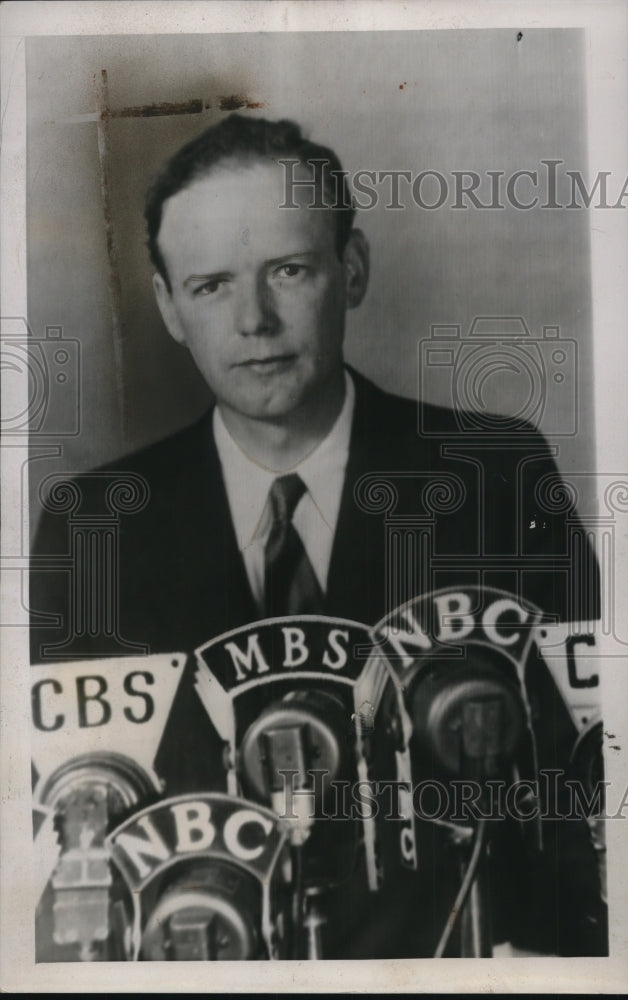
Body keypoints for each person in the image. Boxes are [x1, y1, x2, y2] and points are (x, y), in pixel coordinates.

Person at [30, 114, 605, 958]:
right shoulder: (93, 524)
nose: (254, 320)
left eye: (289, 271)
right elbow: (64, 844)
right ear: (168, 307)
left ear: (354, 269)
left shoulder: (496, 474)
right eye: (212, 285)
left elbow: (591, 783)